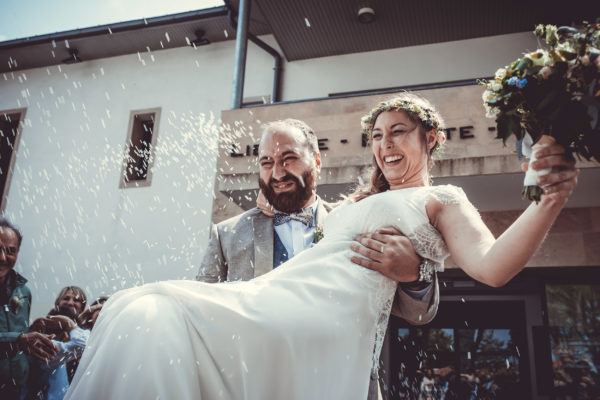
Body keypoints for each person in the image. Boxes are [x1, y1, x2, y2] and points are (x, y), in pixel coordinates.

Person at [65, 93, 578, 400]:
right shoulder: (356, 204)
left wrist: (549, 199)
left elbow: (492, 268)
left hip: (321, 332)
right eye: (377, 135)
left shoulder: (442, 199)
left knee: (151, 308)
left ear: (433, 137)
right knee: (148, 315)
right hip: (269, 306)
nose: (385, 145)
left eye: (398, 132)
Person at [198, 118, 440, 398]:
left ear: (316, 161)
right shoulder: (226, 235)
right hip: (252, 387)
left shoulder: (356, 223)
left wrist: (414, 274)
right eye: (266, 163)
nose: (277, 173)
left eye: (289, 159)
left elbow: (419, 313)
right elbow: (203, 320)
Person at [0, 218, 57, 400]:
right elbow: (18, 339)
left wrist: (33, 332)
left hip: (14, 386)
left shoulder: (23, 291)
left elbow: (19, 334)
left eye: (11, 251)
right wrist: (19, 339)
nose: (3, 257)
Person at [23, 286, 91, 400]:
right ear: (57, 302)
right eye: (66, 298)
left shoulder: (85, 333)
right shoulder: (41, 327)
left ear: (82, 306)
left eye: (76, 300)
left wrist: (70, 324)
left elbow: (85, 347)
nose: (70, 303)